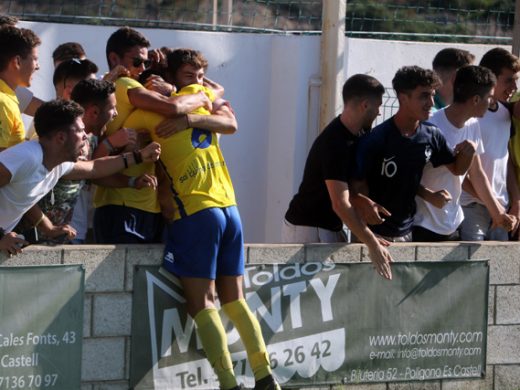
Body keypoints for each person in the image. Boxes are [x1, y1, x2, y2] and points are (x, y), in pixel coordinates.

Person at [125, 47, 280, 390]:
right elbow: (227, 115)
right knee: (235, 300)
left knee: (201, 303)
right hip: (230, 209)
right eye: (188, 75)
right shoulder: (204, 98)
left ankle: (228, 383)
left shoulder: (153, 110)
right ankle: (265, 377)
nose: (195, 82)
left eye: (197, 76)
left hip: (195, 212)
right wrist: (205, 92)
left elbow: (119, 132)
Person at [92, 27, 224, 243]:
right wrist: (199, 97)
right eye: (137, 62)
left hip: (145, 200)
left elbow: (218, 94)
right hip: (122, 203)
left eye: (147, 62)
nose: (142, 68)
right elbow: (171, 107)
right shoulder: (125, 84)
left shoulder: (133, 84)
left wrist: (166, 70)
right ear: (114, 58)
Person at [0, 99, 160, 256]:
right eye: (80, 130)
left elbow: (94, 168)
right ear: (61, 138)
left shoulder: (56, 163)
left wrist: (139, 156)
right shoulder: (27, 157)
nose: (85, 136)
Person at [282, 74, 393, 279]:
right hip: (308, 228)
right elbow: (340, 204)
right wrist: (372, 244)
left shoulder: (356, 136)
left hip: (328, 227)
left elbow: (342, 190)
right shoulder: (335, 142)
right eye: (377, 106)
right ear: (364, 105)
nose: (379, 112)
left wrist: (361, 202)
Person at [353, 66, 476, 242]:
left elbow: (457, 169)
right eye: (424, 96)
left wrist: (468, 153)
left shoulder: (431, 134)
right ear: (403, 98)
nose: (432, 103)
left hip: (407, 232)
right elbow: (355, 189)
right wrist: (366, 234)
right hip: (374, 234)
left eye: (433, 95)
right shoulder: (377, 139)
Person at [414, 65, 516, 241]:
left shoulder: (472, 124)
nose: (492, 103)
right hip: (424, 224)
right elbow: (408, 175)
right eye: (489, 98)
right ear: (476, 100)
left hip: (452, 223)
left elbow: (476, 174)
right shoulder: (430, 126)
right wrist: (430, 196)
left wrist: (498, 213)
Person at [461, 48, 520, 240]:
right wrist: (488, 201)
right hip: (472, 206)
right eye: (509, 80)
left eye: (516, 80)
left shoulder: (504, 114)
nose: (514, 87)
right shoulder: (471, 115)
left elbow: (505, 160)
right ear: (491, 77)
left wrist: (515, 200)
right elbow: (461, 170)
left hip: (501, 207)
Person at [0, 25, 40, 150]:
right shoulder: (3, 103)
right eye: (34, 59)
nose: (38, 66)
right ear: (17, 62)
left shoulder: (7, 98)